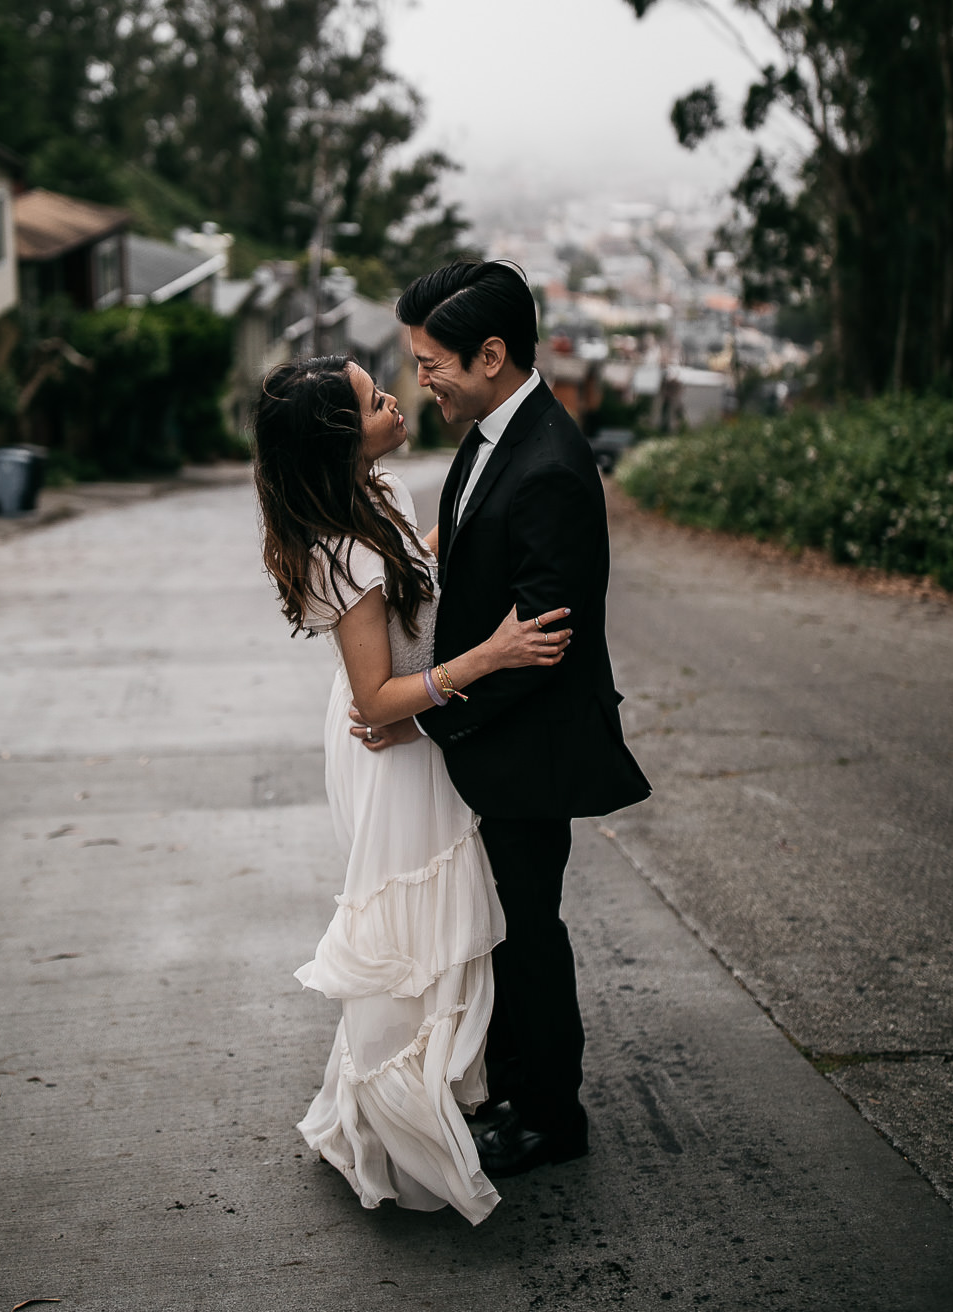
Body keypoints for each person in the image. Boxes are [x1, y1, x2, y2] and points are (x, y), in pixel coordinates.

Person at [253, 354, 570, 1223]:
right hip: (394, 745)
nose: (395, 397)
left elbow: (424, 577)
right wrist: (492, 656)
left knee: (451, 921)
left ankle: (461, 1089)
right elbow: (376, 699)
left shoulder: (377, 500)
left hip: (419, 732)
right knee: (415, 931)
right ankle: (402, 1113)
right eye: (373, 399)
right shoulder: (343, 554)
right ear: (340, 441)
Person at [362, 259, 652, 1179]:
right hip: (492, 741)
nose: (422, 380)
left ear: (491, 355)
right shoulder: (490, 435)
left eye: (432, 361)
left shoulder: (552, 465)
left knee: (528, 931)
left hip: (530, 750)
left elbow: (543, 641)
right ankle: (517, 1091)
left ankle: (550, 1118)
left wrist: (433, 710)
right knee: (502, 926)